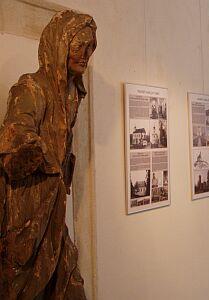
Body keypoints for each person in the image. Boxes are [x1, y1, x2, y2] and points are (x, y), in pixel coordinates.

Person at [0, 10, 96, 299]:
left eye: (90, 48)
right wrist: (41, 153)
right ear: (60, 44)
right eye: (80, 46)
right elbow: (13, 145)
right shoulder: (30, 87)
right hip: (28, 211)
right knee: (23, 286)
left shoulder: (70, 95)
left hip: (53, 209)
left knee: (69, 284)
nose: (86, 54)